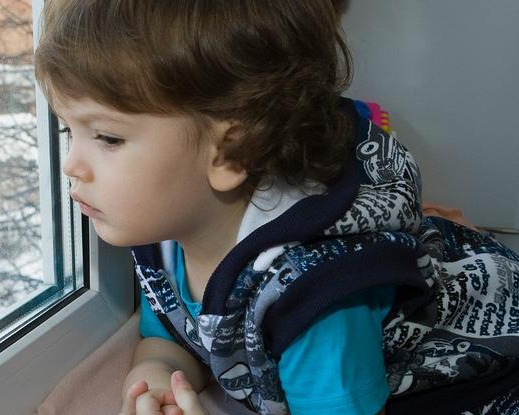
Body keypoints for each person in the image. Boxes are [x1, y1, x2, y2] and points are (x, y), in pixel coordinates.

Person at [34, 1, 519, 414]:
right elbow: (170, 336)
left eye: (108, 137)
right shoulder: (169, 232)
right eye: (68, 130)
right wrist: (158, 378)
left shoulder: (318, 298)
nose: (71, 164)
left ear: (230, 153)